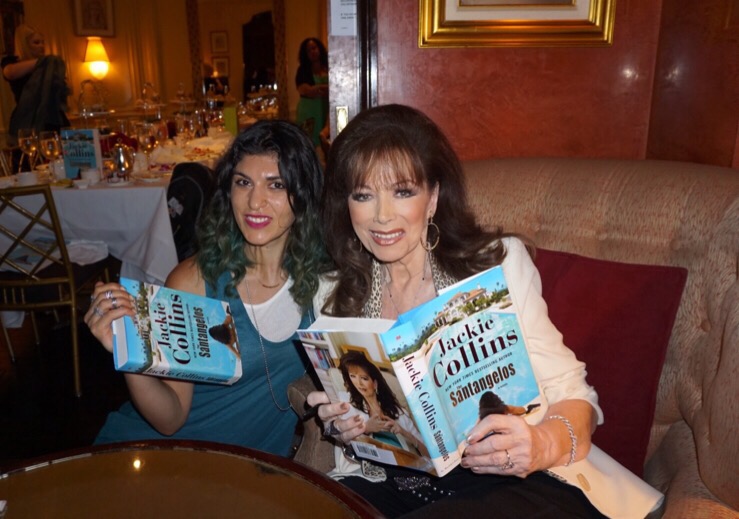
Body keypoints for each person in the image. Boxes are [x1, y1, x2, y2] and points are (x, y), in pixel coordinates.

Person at [308, 104, 663, 518]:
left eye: (403, 192)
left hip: (511, 480)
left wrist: (540, 445)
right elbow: (362, 435)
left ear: (433, 197)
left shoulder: (496, 265)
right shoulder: (332, 293)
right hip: (395, 483)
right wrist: (342, 426)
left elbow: (575, 396)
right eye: (363, 195)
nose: (382, 216)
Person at [85, 120, 332, 456]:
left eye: (276, 185)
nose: (254, 201)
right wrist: (130, 352)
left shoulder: (323, 283)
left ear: (302, 195)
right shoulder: (196, 281)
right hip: (166, 455)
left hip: (252, 469)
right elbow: (170, 419)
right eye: (243, 182)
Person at [337, 351, 426, 456]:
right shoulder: (347, 406)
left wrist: (404, 432)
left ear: (375, 384)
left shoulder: (399, 413)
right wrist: (366, 428)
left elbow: (431, 455)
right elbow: (343, 442)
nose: (359, 383)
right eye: (353, 376)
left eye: (364, 378)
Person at [1, 24, 70, 136]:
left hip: (54, 119)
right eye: (36, 43)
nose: (42, 46)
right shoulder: (11, 62)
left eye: (43, 42)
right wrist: (44, 61)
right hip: (28, 120)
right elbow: (10, 73)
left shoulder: (49, 66)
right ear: (24, 44)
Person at [294, 37, 329, 148]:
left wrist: (318, 88)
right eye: (308, 51)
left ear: (319, 48)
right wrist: (325, 88)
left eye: (314, 48)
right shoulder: (302, 70)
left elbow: (337, 88)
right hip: (308, 111)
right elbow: (306, 90)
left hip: (326, 111)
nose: (312, 52)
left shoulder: (329, 66)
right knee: (308, 144)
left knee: (326, 143)